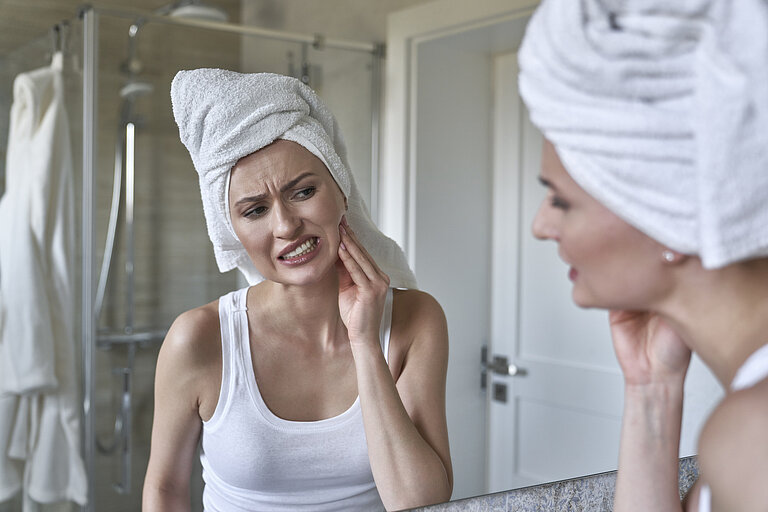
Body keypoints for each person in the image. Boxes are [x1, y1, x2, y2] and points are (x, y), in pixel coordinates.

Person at [142, 71, 452, 511]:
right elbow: (165, 491)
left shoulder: (415, 322)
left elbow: (420, 502)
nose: (286, 226)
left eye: (303, 191)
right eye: (255, 210)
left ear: (341, 190)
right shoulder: (198, 339)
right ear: (231, 231)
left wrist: (364, 340)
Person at [518, 1, 768, 511]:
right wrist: (651, 385)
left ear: (672, 219)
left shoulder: (754, 433)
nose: (541, 227)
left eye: (562, 201)